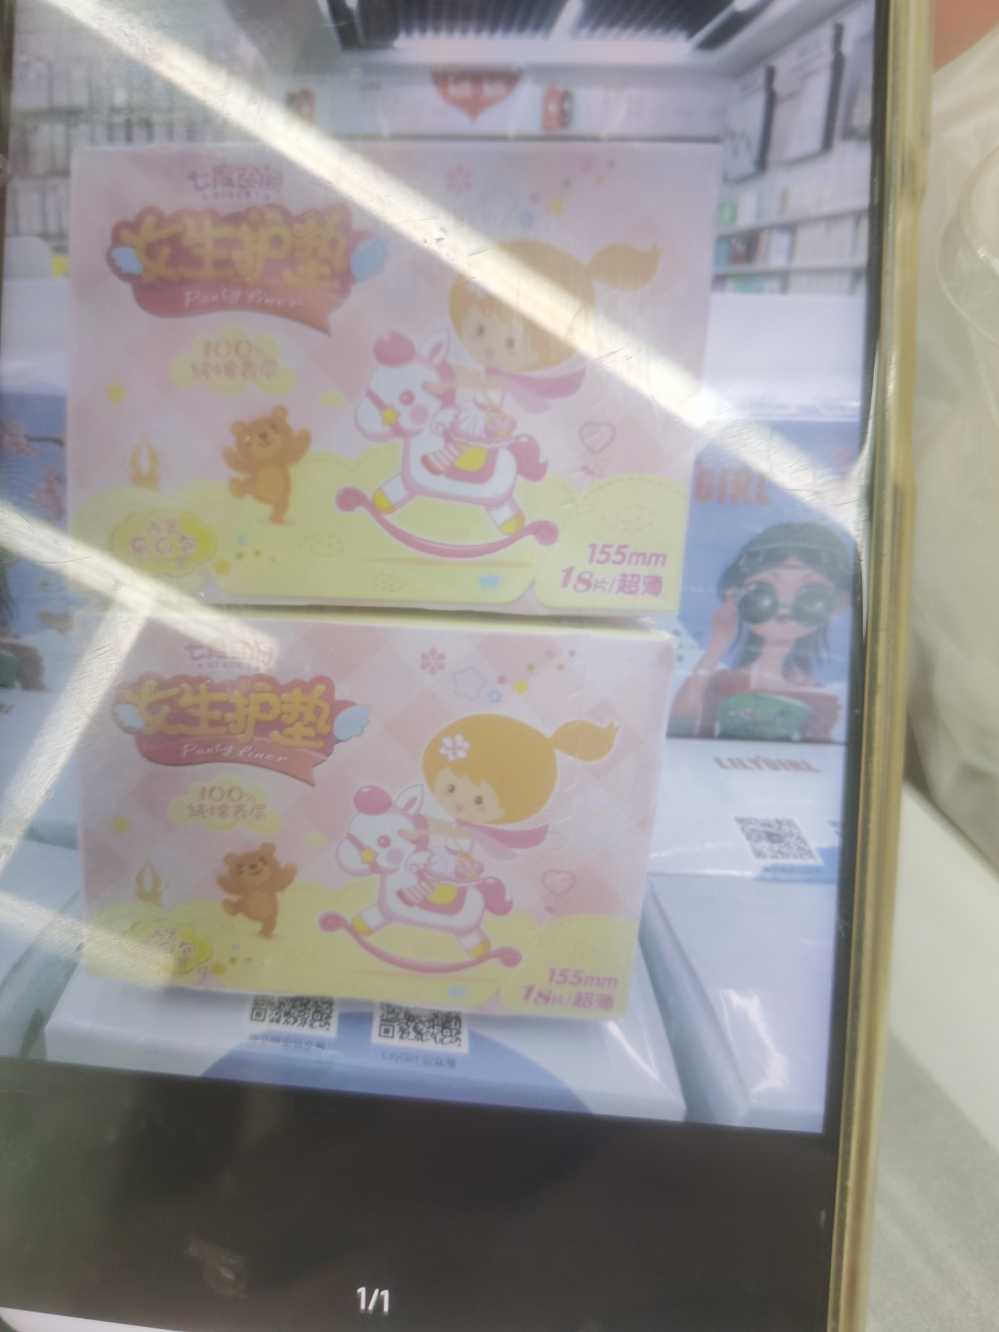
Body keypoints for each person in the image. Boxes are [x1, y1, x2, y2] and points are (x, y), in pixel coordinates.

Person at [669, 522, 854, 742]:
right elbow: (680, 728)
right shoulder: (722, 682)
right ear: (736, 598)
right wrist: (717, 645)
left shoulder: (825, 694)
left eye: (810, 595)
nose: (784, 609)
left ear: (836, 605)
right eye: (764, 592)